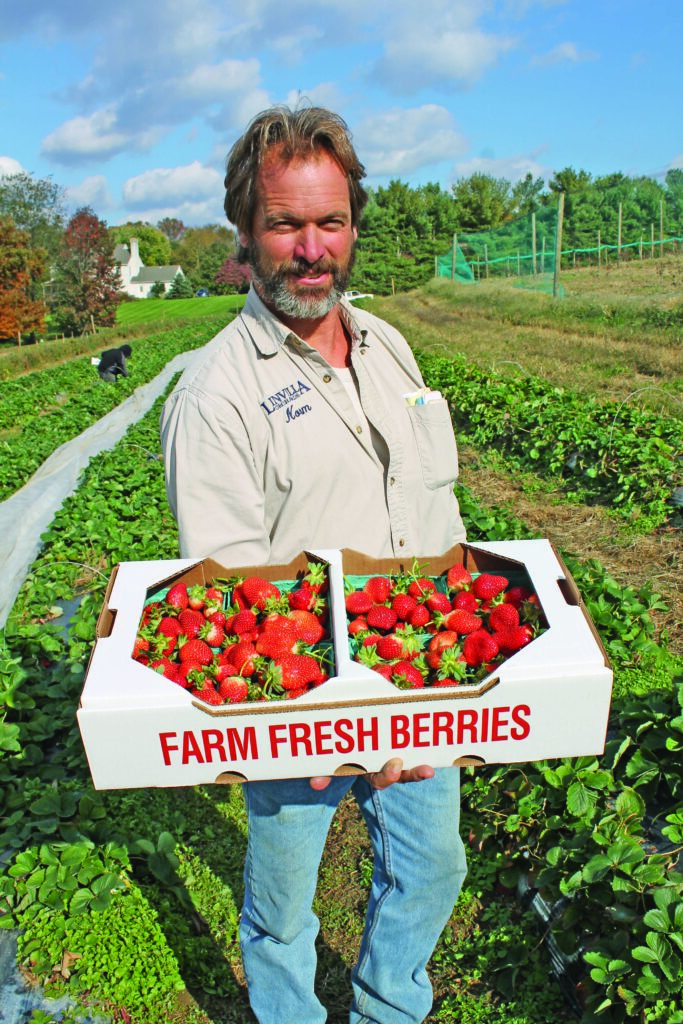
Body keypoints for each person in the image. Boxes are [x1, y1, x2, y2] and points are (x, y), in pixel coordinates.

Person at [160, 105, 468, 1024]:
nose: (309, 249)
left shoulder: (388, 346)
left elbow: (430, 505)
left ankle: (388, 1006)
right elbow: (232, 599)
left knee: (433, 866)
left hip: (418, 674)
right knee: (285, 898)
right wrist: (345, 719)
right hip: (294, 699)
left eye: (328, 222)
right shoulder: (216, 393)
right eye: (285, 224)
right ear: (246, 235)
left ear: (352, 226)